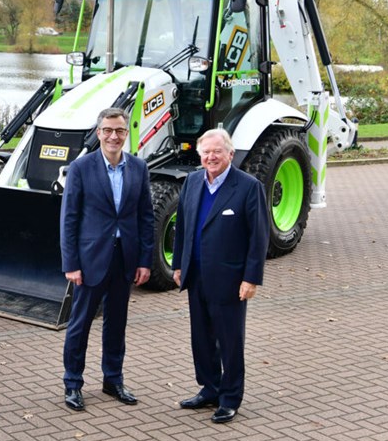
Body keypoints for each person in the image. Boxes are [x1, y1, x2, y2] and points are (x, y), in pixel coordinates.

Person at [60, 107, 154, 411]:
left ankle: (113, 379)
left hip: (125, 260)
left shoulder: (139, 168)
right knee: (80, 324)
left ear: (127, 134)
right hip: (89, 261)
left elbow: (146, 217)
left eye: (120, 131)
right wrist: (70, 263)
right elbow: (69, 219)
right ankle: (73, 383)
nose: (114, 136)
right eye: (108, 130)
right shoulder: (81, 168)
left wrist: (144, 260)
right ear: (98, 133)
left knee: (117, 324)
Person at [172, 128, 268, 424]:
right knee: (201, 338)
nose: (211, 157)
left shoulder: (248, 187)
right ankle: (210, 389)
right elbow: (183, 226)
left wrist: (251, 278)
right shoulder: (192, 181)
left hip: (230, 279)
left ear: (230, 154)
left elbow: (258, 237)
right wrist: (178, 265)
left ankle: (229, 398)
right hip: (196, 275)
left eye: (217, 152)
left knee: (229, 341)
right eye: (205, 152)